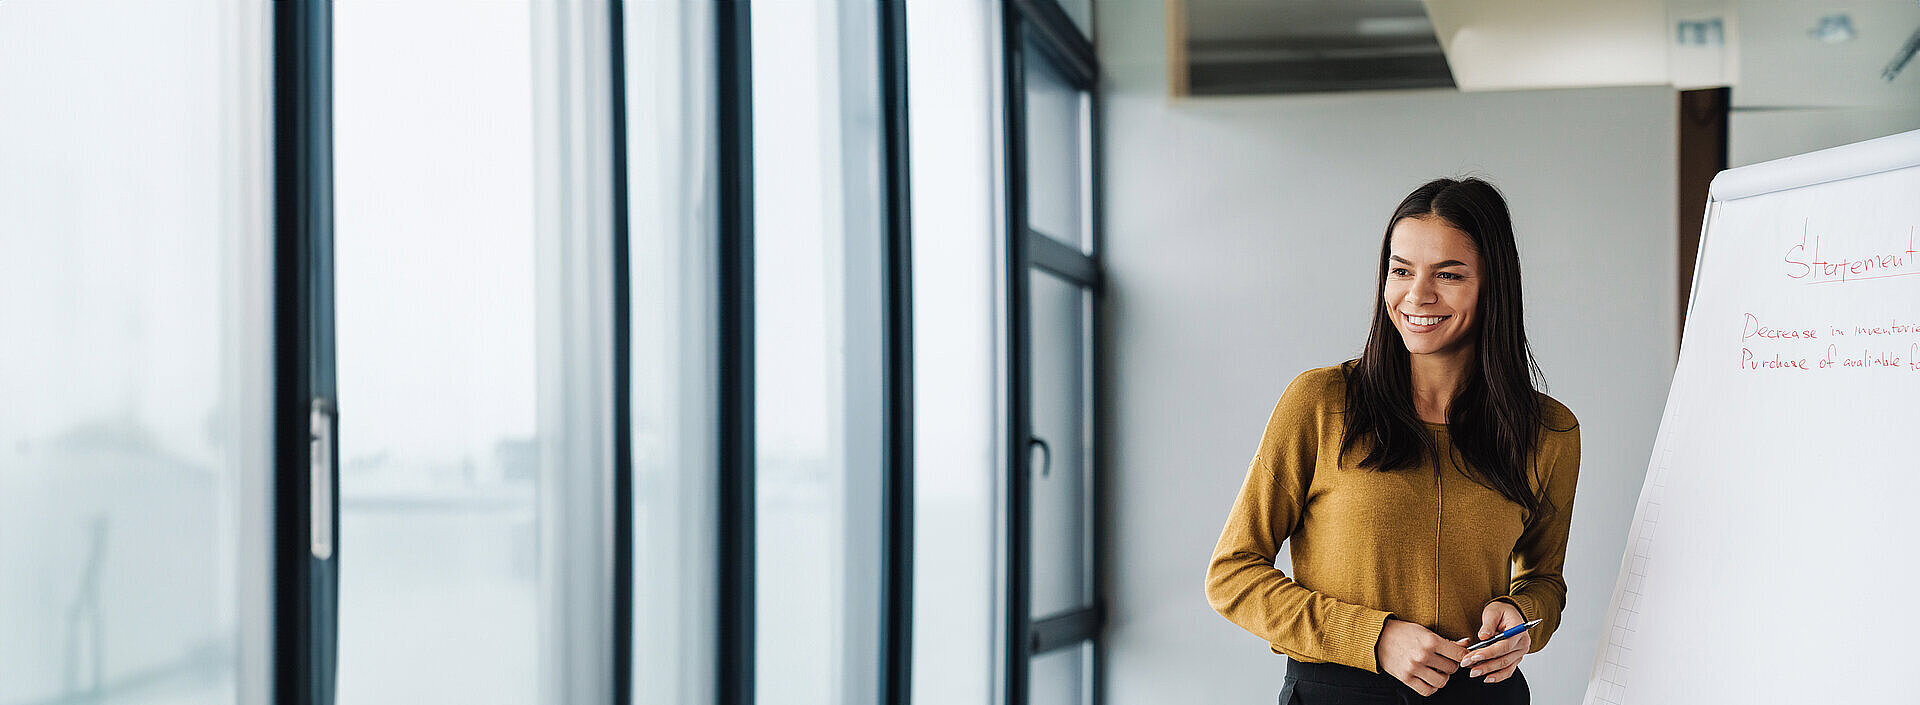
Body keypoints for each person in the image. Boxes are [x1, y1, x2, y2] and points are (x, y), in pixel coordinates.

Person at [1204, 177, 1581, 704]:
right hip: (1338, 692)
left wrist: (1521, 620)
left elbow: (1545, 581)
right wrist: (1373, 638)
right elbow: (1232, 574)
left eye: (1448, 274)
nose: (1417, 295)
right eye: (1401, 270)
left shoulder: (1549, 432)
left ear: (1494, 284)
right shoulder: (1321, 402)